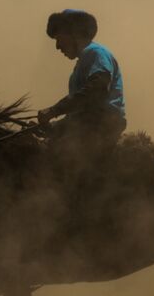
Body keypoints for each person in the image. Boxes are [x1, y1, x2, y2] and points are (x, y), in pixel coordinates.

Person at [37, 9, 126, 178]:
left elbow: (96, 91)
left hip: (101, 126)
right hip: (89, 125)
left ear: (73, 33)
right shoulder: (85, 59)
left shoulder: (96, 53)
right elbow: (80, 110)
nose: (57, 47)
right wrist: (54, 128)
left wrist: (54, 110)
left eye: (58, 38)